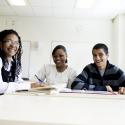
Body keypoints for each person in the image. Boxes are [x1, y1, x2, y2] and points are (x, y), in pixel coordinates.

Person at [0, 29, 42, 94]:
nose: (13, 45)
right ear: (0, 44)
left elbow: (19, 82)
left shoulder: (14, 63)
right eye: (9, 41)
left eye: (16, 42)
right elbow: (1, 87)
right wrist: (29, 85)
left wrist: (35, 84)